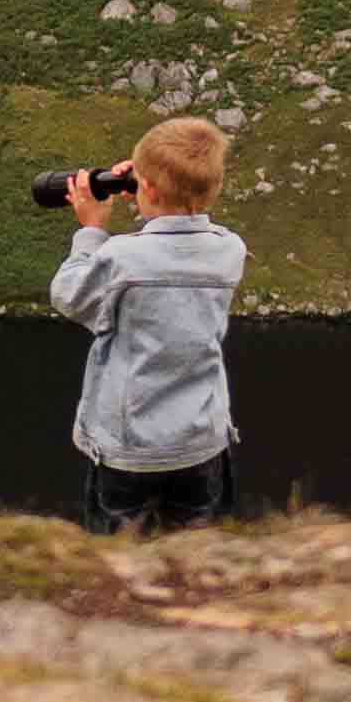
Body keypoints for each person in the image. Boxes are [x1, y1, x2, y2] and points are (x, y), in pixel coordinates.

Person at [52, 115, 246, 535]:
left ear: (149, 190)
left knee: (119, 557)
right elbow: (174, 243)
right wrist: (152, 192)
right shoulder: (229, 250)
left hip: (129, 451)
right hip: (201, 445)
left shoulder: (120, 257)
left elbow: (69, 295)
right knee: (198, 550)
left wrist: (92, 230)